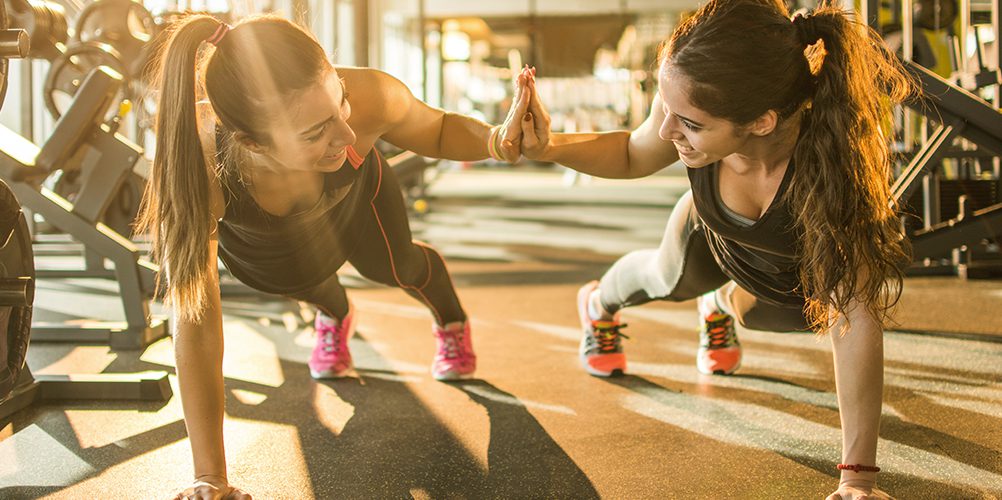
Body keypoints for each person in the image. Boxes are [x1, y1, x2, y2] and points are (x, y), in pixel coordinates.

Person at [513, 0, 911, 497]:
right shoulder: (689, 100)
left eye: (690, 124)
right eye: (667, 111)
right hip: (710, 234)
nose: (666, 131)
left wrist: (858, 480)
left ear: (762, 122)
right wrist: (548, 147)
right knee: (664, 278)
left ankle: (720, 304)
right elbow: (632, 152)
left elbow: (855, 315)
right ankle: (599, 302)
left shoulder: (835, 168)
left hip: (789, 272)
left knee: (782, 317)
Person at [138, 14, 530, 499]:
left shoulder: (368, 100)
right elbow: (195, 322)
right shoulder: (196, 158)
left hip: (356, 200)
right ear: (251, 142)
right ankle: (336, 315)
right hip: (268, 247)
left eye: (340, 99)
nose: (347, 135)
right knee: (301, 280)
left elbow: (440, 128)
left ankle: (450, 322)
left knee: (394, 266)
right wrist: (209, 477)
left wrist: (499, 139)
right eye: (315, 132)